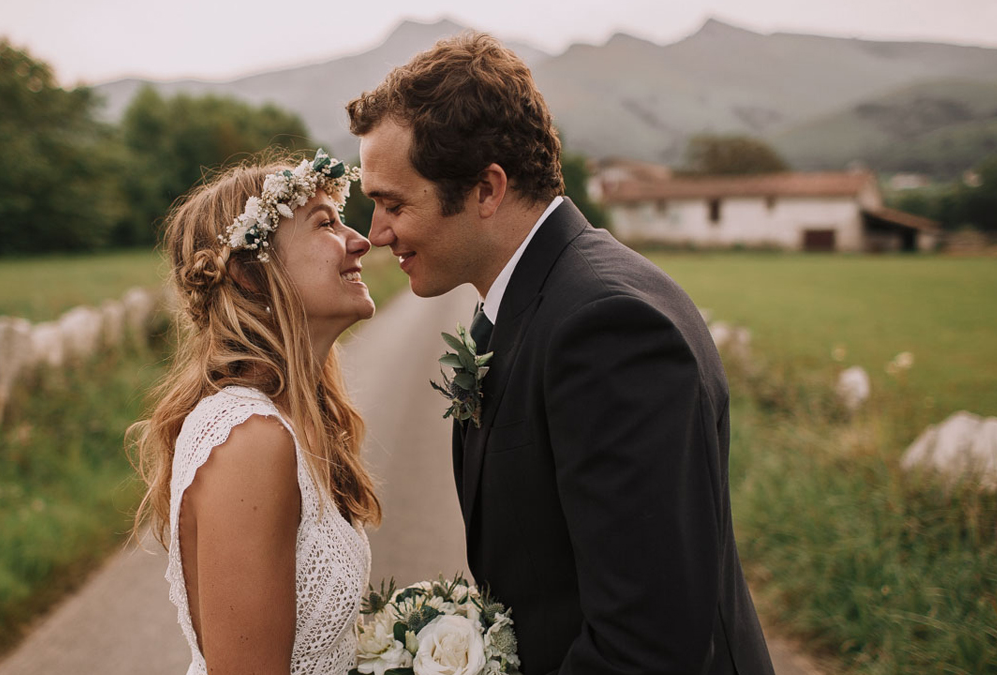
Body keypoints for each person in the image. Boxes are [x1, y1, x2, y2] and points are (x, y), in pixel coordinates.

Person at [348, 33, 776, 675]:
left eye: (393, 203)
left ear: (487, 189)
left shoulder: (609, 329)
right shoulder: (533, 302)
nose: (376, 232)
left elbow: (647, 647)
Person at [128, 150, 380, 675]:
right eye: (326, 224)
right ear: (249, 273)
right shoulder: (248, 438)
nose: (361, 240)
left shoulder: (294, 423)